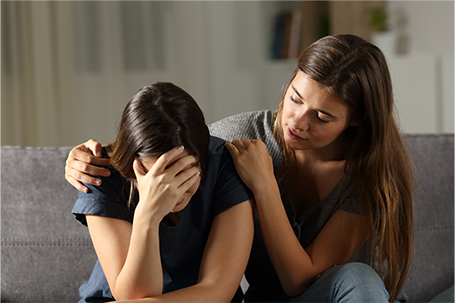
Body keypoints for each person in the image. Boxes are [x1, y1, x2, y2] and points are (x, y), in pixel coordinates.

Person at [65, 34, 413, 303]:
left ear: (357, 120)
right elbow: (172, 137)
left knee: (360, 279)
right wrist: (81, 159)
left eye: (322, 117)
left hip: (322, 296)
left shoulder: (373, 179)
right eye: (294, 97)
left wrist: (264, 185)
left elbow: (298, 280)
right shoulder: (237, 138)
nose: (297, 122)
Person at [70, 82, 255, 303]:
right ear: (134, 165)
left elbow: (217, 291)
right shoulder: (101, 174)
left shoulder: (224, 165)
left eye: (185, 174)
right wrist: (147, 215)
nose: (173, 192)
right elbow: (132, 296)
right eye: (158, 177)